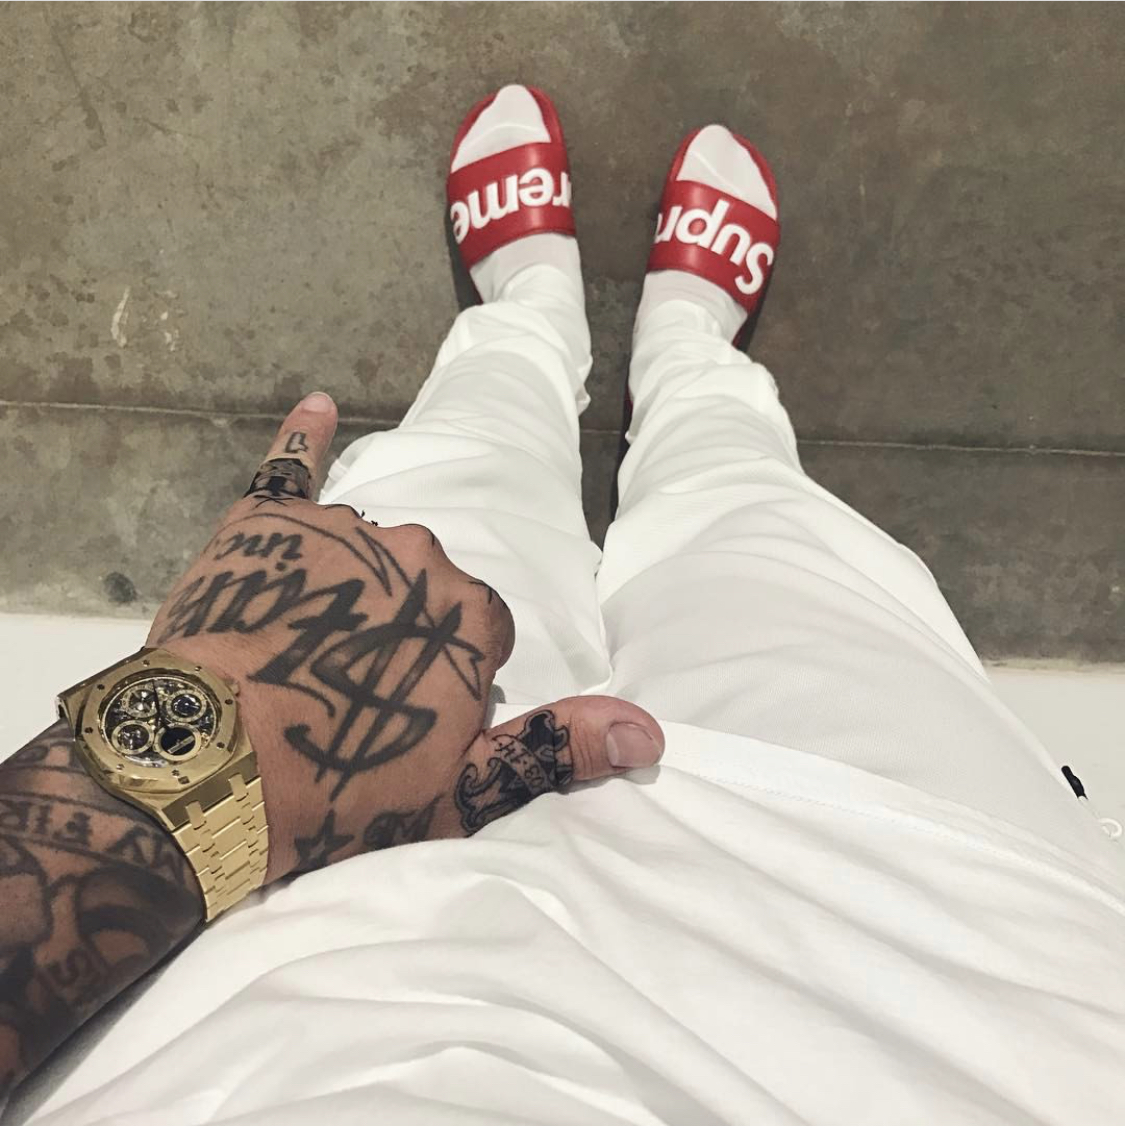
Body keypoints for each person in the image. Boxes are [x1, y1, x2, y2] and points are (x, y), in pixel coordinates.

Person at [2, 85, 1123, 1124]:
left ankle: (532, 325)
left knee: (447, 495)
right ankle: (691, 363)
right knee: (763, 534)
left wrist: (190, 747)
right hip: (949, 959)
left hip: (273, 989)